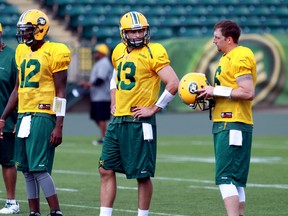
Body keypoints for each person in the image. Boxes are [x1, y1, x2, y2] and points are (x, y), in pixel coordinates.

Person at [98, 11, 179, 216]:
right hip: (118, 120)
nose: (137, 36)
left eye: (140, 31)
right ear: (123, 34)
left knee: (142, 175)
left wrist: (154, 108)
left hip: (139, 121)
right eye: (132, 32)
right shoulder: (118, 51)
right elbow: (115, 77)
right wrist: (114, 100)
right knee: (105, 169)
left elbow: (173, 83)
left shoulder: (154, 51)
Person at [0, 9, 71, 216]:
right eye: (22, 31)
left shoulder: (56, 51)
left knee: (39, 167)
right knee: (27, 169)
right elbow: (17, 89)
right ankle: (34, 212)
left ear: (40, 30)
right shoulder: (21, 51)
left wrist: (59, 124)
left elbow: (61, 92)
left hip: (43, 113)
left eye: (28, 31)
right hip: (24, 115)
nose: (24, 35)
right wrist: (4, 117)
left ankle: (55, 211)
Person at [196, 20, 257, 216]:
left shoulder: (240, 55)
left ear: (229, 39)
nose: (213, 41)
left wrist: (216, 90)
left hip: (233, 122)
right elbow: (229, 91)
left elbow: (247, 92)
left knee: (226, 178)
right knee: (234, 178)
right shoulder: (226, 57)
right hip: (228, 122)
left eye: (217, 37)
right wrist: (210, 95)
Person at [0, 23, 20, 215]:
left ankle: (12, 202)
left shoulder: (12, 56)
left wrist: (16, 119)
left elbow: (18, 90)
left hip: (5, 121)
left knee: (7, 161)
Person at [79, 43, 113, 145]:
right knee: (96, 117)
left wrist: (88, 84)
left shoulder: (104, 63)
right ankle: (105, 135)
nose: (94, 54)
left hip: (103, 95)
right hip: (97, 96)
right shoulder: (100, 63)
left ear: (102, 53)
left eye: (96, 52)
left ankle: (104, 138)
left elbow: (100, 79)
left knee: (101, 117)